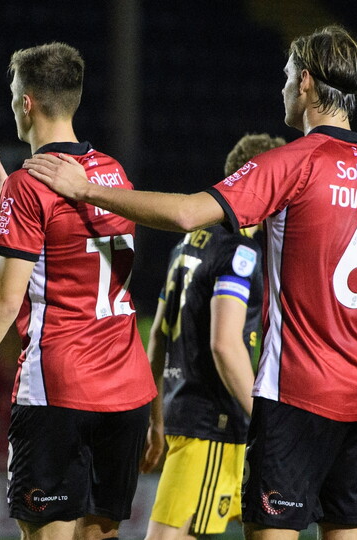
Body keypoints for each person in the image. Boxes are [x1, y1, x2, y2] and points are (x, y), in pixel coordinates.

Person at [25, 25, 357, 540]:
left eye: (287, 77)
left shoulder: (294, 163)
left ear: (307, 83)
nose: (283, 87)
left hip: (295, 400)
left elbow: (185, 215)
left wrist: (85, 189)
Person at [0, 42, 156, 540]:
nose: (12, 102)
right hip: (126, 389)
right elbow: (85, 253)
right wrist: (10, 213)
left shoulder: (29, 185)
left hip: (61, 389)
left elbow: (3, 297)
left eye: (14, 93)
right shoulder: (112, 174)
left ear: (27, 102)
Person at [141, 134, 285, 540]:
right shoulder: (241, 251)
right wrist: (266, 421)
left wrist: (156, 421)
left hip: (184, 414)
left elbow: (157, 339)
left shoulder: (188, 243)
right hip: (215, 422)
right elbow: (225, 344)